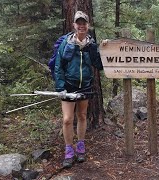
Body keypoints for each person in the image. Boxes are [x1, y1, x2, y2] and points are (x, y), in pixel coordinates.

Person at [54, 11, 103, 168]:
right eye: (78, 23)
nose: (81, 25)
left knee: (82, 116)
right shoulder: (66, 43)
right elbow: (58, 66)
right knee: (67, 119)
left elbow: (99, 65)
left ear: (88, 25)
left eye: (84, 23)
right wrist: (60, 87)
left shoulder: (91, 44)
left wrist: (105, 48)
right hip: (68, 86)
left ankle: (80, 146)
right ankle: (69, 150)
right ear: (74, 25)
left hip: (85, 85)